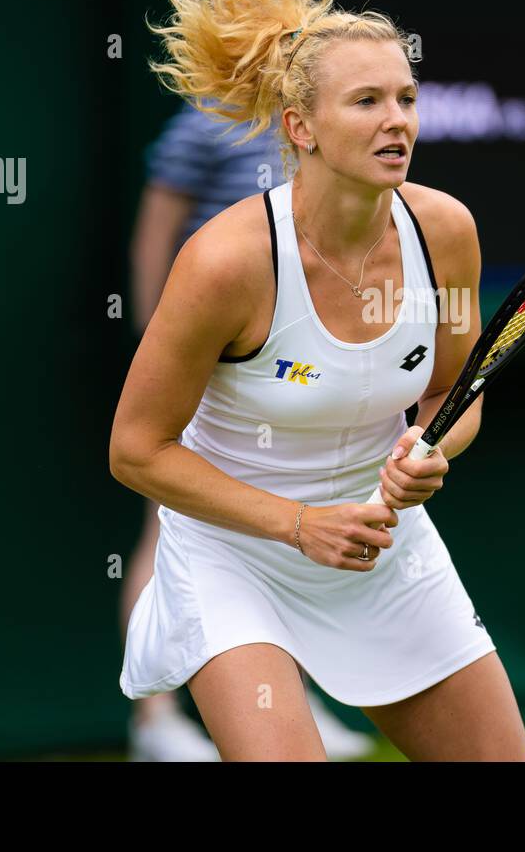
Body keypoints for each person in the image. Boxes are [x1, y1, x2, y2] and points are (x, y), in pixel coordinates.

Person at [110, 0, 525, 760]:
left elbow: (455, 389)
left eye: (407, 98)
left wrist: (430, 447)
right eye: (367, 101)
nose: (397, 121)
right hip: (237, 555)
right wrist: (299, 524)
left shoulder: (446, 233)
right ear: (301, 129)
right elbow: (135, 449)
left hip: (382, 548)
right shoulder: (227, 262)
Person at [122, 101, 377, 760]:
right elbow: (157, 230)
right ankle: (156, 720)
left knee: (291, 531)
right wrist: (165, 348)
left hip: (286, 364)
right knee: (169, 525)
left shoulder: (325, 126)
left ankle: (284, 700)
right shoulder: (204, 123)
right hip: (208, 355)